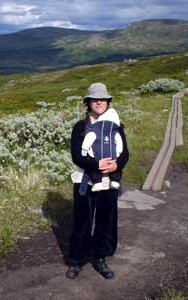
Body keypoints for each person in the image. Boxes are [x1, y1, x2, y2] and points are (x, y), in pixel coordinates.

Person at [66, 83, 129, 280]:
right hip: (85, 182)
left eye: (103, 99)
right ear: (88, 103)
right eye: (95, 99)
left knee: (106, 222)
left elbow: (125, 153)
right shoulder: (81, 126)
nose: (99, 102)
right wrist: (96, 164)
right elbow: (77, 156)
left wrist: (116, 165)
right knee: (82, 222)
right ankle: (77, 260)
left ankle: (101, 258)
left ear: (108, 102)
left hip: (109, 181)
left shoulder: (117, 126)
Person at [81, 107, 123, 191]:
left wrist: (85, 150)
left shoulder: (96, 129)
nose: (99, 103)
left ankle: (110, 181)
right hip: (106, 158)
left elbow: (89, 139)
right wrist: (118, 153)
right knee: (96, 171)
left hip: (101, 158)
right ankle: (101, 182)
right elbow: (120, 144)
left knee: (115, 171)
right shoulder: (114, 131)